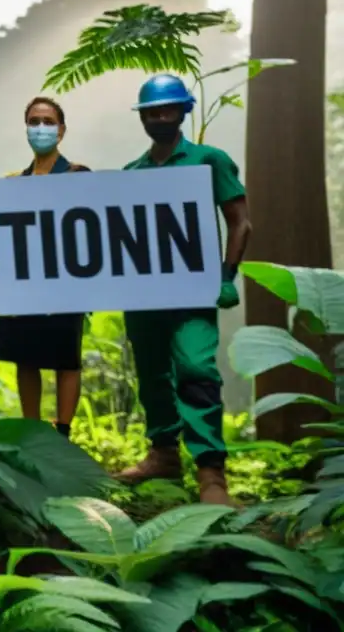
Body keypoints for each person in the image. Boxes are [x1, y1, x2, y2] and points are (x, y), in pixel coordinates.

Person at [116, 74, 251, 506]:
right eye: (151, 112)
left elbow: (240, 221)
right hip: (145, 293)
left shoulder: (209, 160)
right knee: (152, 373)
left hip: (193, 292)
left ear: (183, 112)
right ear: (143, 118)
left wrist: (227, 276)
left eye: (166, 110)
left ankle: (211, 474)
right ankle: (163, 455)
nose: (159, 117)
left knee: (195, 369)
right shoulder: (132, 173)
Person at [0, 97, 90, 438]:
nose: (41, 128)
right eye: (34, 121)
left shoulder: (78, 174)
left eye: (48, 121)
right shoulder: (14, 181)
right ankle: (32, 429)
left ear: (61, 130)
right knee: (26, 356)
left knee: (66, 356)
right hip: (24, 283)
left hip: (66, 281)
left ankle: (63, 430)